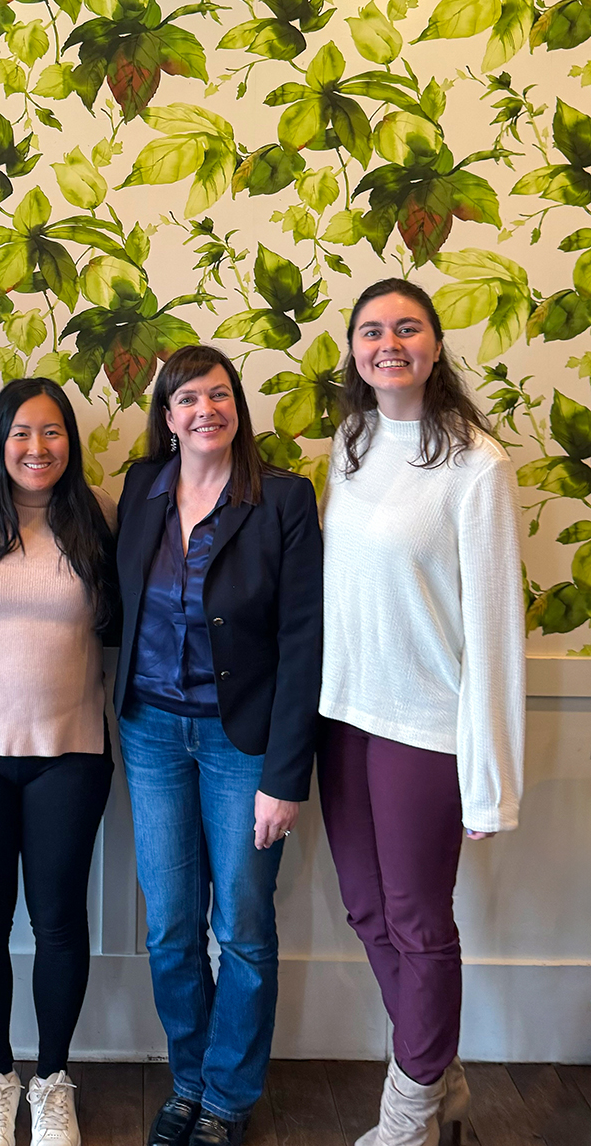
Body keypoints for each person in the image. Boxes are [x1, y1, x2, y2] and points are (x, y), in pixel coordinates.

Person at [317, 278, 525, 1146]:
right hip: (343, 717)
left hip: (425, 728)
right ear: (356, 352)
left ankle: (408, 1111)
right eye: (371, 330)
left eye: (407, 328)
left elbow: (496, 631)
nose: (387, 343)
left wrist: (491, 782)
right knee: (367, 910)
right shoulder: (353, 439)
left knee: (417, 919)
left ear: (436, 347)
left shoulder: (477, 466)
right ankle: (441, 1073)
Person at [113, 346, 323, 1146]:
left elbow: (304, 642)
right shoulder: (140, 490)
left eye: (220, 393)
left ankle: (229, 1099)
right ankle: (190, 1081)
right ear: (166, 418)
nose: (207, 408)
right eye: (188, 397)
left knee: (240, 925)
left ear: (238, 405)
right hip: (151, 731)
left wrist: (285, 773)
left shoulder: (284, 500)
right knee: (169, 924)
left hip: (245, 744)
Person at [0, 378, 116, 1146]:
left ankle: (54, 1080)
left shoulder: (96, 515)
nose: (38, 449)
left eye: (53, 433)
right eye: (21, 434)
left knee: (60, 922)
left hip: (70, 755)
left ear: (70, 441)